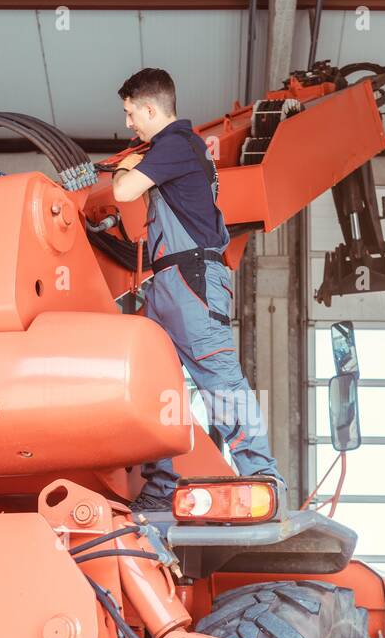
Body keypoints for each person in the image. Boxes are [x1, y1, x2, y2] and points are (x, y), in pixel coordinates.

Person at [112, 68, 282, 511]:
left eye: (131, 113)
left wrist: (125, 165)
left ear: (150, 108)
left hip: (191, 279)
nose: (129, 123)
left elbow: (126, 190)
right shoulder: (173, 151)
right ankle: (162, 483)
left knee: (219, 380)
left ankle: (263, 476)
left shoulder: (174, 145)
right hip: (166, 282)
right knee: (152, 385)